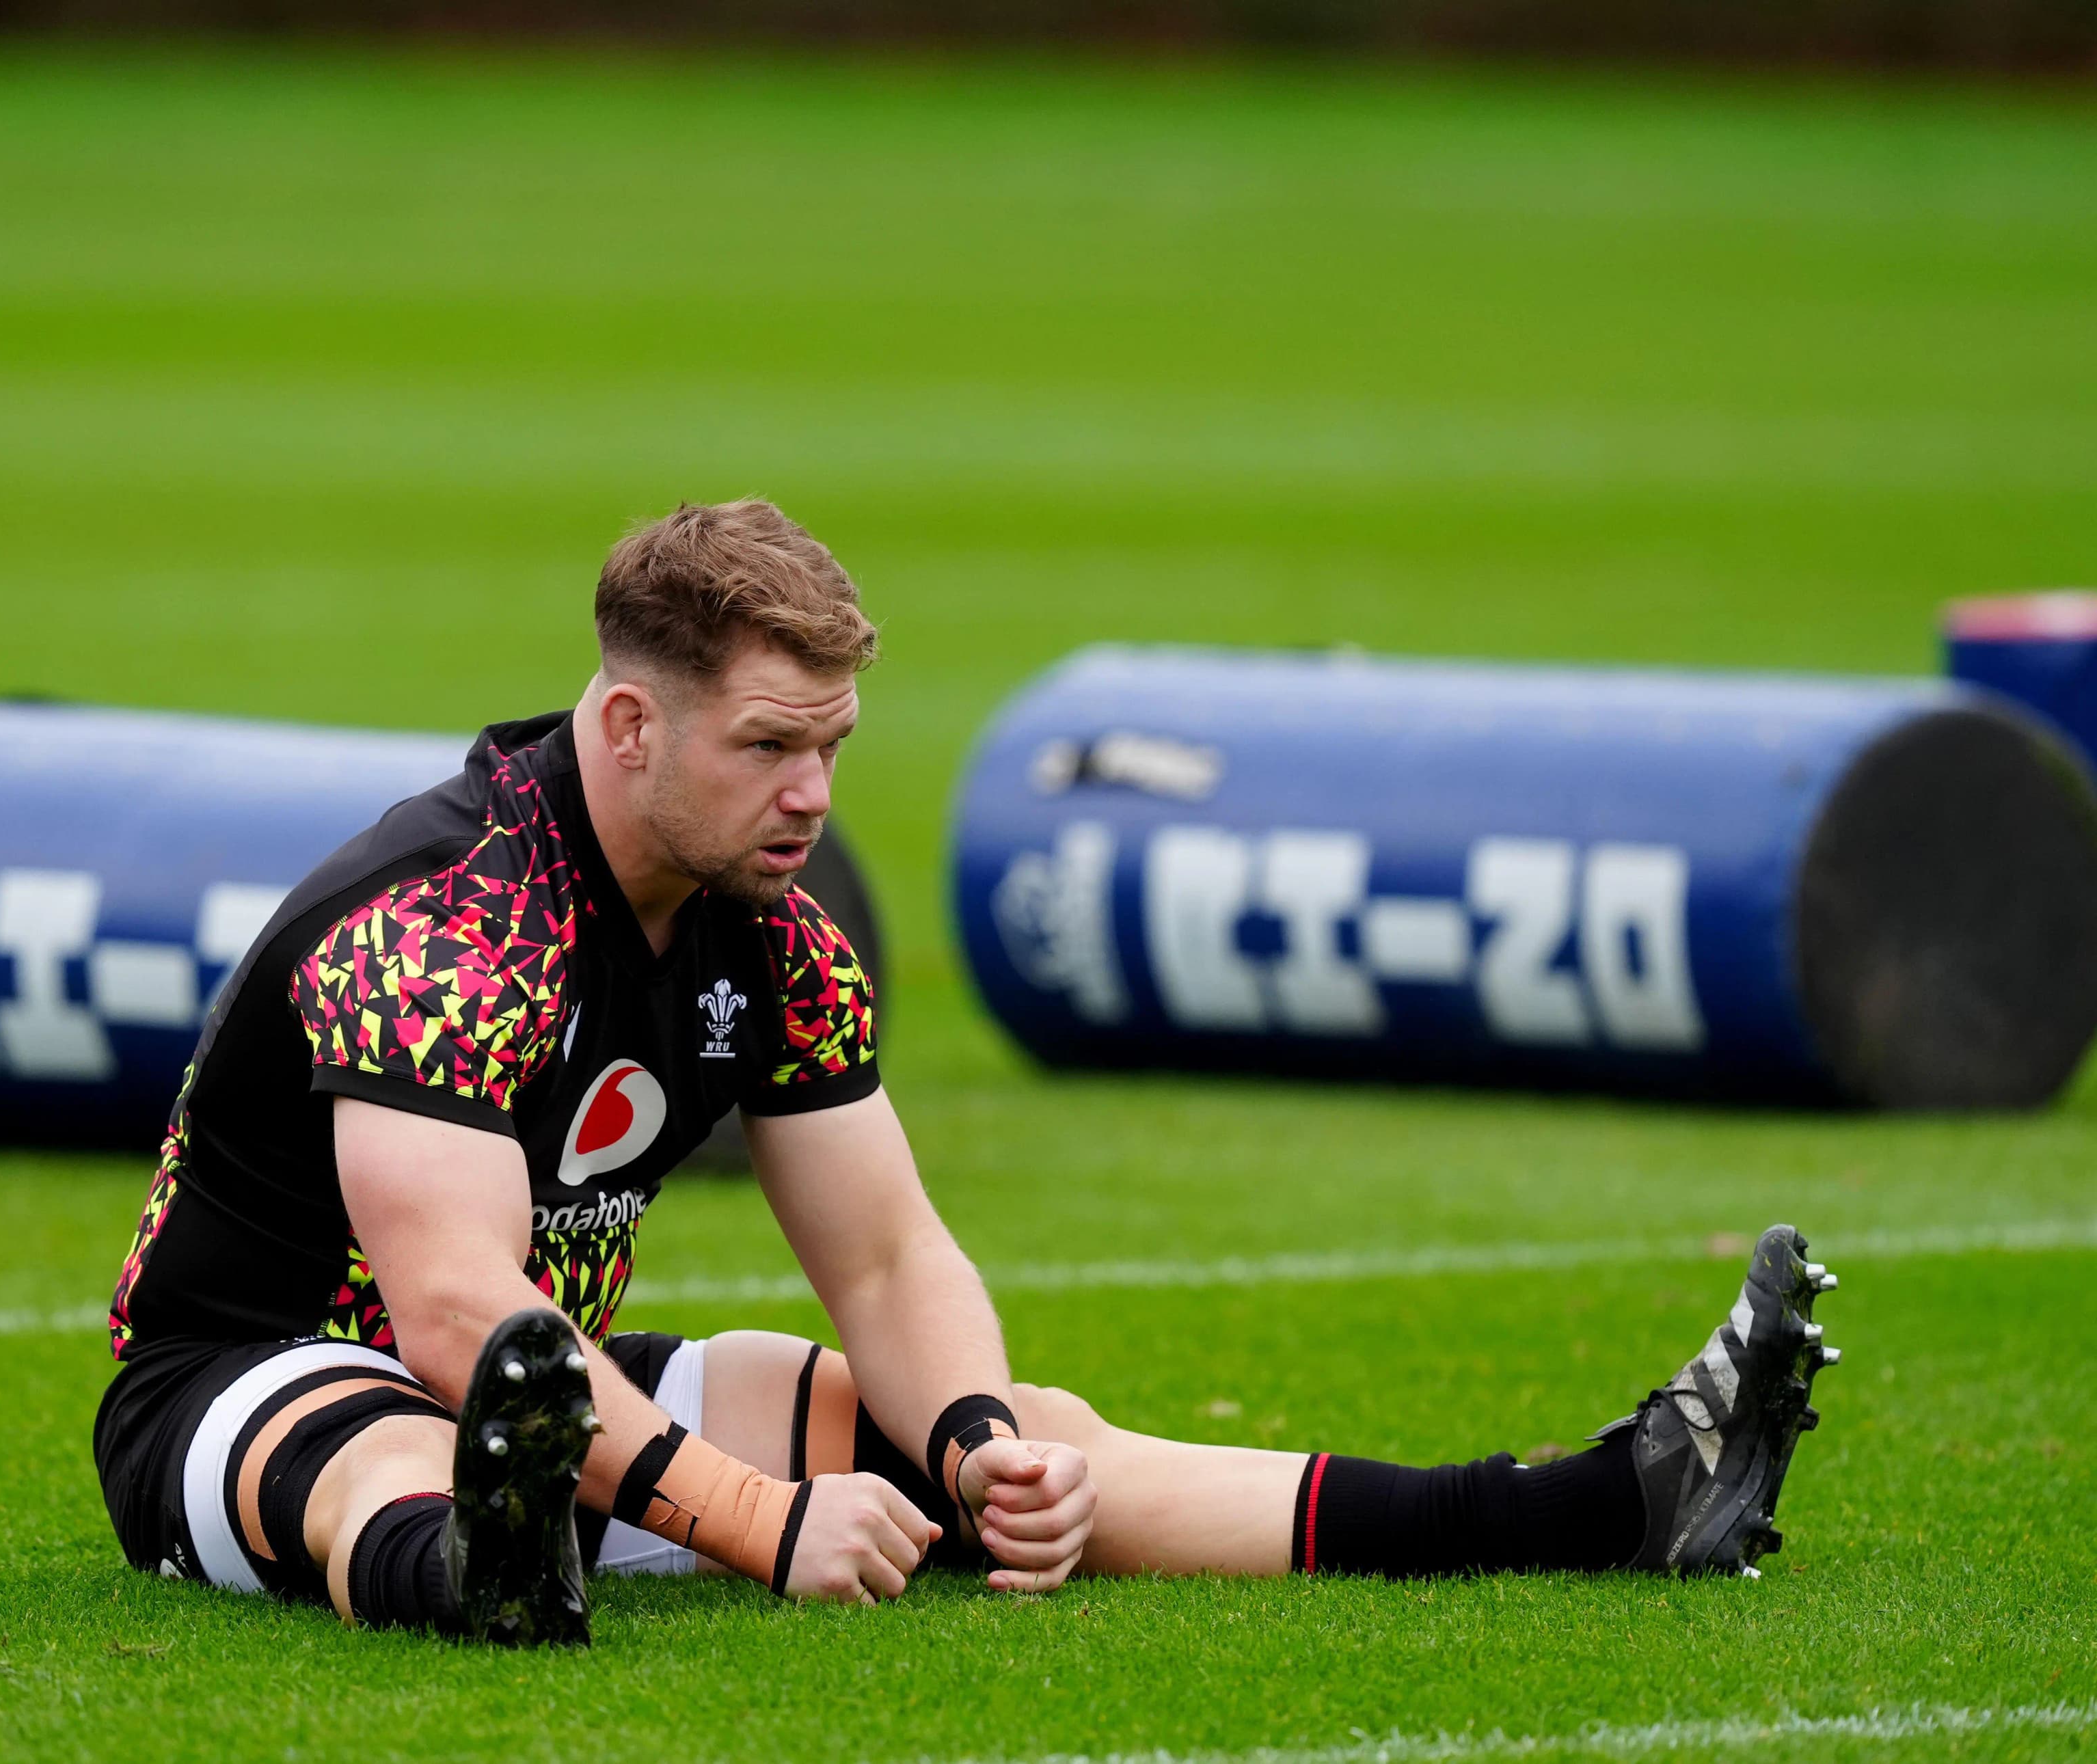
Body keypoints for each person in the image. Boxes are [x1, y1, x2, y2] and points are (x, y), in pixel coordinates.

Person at [93, 499, 1841, 1646]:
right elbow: (457, 1318)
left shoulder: (775, 936)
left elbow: (889, 1255)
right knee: (385, 1447)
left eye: (833, 748)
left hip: (554, 1402)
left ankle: (1595, 1506)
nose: (812, 798)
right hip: (245, 1385)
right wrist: (756, 1520)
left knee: (1031, 1446)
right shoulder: (442, 919)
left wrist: (985, 1435)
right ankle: (480, 1565)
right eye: (769, 746)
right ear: (629, 725)